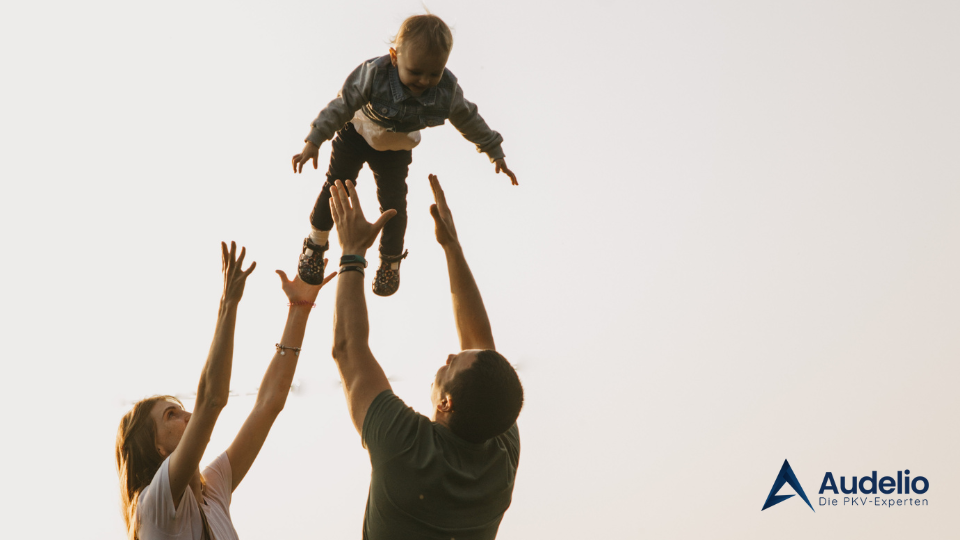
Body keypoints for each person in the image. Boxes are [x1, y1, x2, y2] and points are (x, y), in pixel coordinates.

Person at [327, 174, 524, 540]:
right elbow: (481, 350)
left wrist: (352, 252)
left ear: (446, 403)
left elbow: (347, 349)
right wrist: (452, 248)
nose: (450, 354)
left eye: (451, 364)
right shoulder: (499, 452)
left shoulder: (406, 448)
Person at [115, 242, 335, 540]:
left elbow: (269, 404)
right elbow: (211, 401)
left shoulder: (211, 491)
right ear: (156, 448)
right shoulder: (154, 505)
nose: (188, 415)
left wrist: (300, 309)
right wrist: (228, 304)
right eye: (172, 415)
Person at [291, 14, 518, 297]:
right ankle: (316, 242)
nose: (424, 81)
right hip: (357, 132)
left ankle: (390, 260)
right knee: (338, 184)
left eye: (434, 73)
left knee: (394, 203)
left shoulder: (446, 93)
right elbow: (343, 104)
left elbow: (469, 119)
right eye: (416, 72)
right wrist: (314, 140)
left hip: (396, 147)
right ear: (394, 57)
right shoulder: (375, 73)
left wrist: (494, 152)